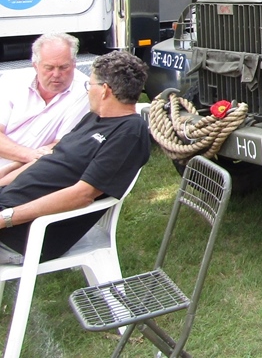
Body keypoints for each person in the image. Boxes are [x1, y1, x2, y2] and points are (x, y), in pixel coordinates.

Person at [0, 51, 151, 263]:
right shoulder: (93, 118)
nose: (88, 91)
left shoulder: (129, 133)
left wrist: (6, 218)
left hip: (23, 233)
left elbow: (83, 194)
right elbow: (51, 157)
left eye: (90, 85)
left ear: (105, 90)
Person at [0, 33, 90, 172]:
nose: (56, 74)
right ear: (35, 66)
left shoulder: (85, 91)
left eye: (63, 67)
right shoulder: (11, 81)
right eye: (49, 68)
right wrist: (28, 154)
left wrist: (9, 172)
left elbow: (59, 147)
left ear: (74, 64)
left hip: (32, 171)